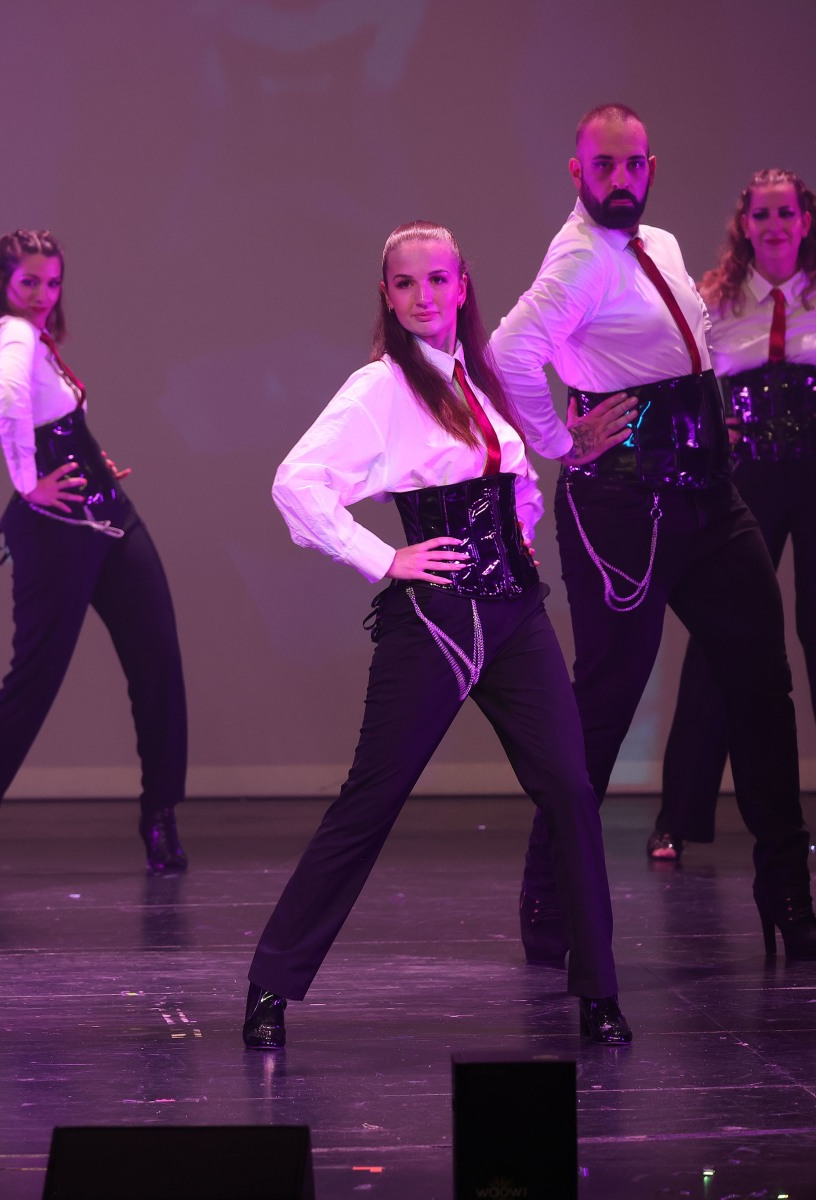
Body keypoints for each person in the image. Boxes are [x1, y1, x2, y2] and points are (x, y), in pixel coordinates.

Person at [245, 223, 627, 1050]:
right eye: (406, 283)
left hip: (516, 614)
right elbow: (296, 483)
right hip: (438, 618)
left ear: (462, 285)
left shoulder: (478, 379)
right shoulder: (380, 388)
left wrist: (521, 533)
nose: (424, 295)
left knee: (570, 789)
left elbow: (514, 477)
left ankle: (599, 991)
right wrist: (384, 558)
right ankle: (271, 980)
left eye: (438, 279)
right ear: (387, 296)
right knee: (372, 800)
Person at [491, 104, 815, 961]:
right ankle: (547, 899)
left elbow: (682, 353)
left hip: (708, 496)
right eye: (604, 165)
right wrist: (560, 441)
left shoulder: (660, 244)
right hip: (626, 506)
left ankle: (787, 892)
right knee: (605, 702)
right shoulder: (577, 258)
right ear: (577, 171)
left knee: (763, 683)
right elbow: (508, 352)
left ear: (651, 168)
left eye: (634, 164)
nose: (621, 179)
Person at [0, 230, 189, 875]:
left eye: (52, 283)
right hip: (57, 530)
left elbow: (53, 417)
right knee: (36, 676)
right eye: (30, 282)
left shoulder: (37, 338)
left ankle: (160, 815)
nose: (43, 295)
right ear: (2, 282)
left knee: (158, 661)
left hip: (109, 514)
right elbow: (8, 403)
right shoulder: (13, 335)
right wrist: (28, 483)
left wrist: (90, 460)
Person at [654, 169, 816, 864]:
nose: (775, 225)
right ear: (744, 224)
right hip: (746, 477)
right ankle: (678, 816)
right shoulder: (713, 299)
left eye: (786, 213)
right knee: (724, 635)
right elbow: (681, 382)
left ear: (805, 220)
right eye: (762, 214)